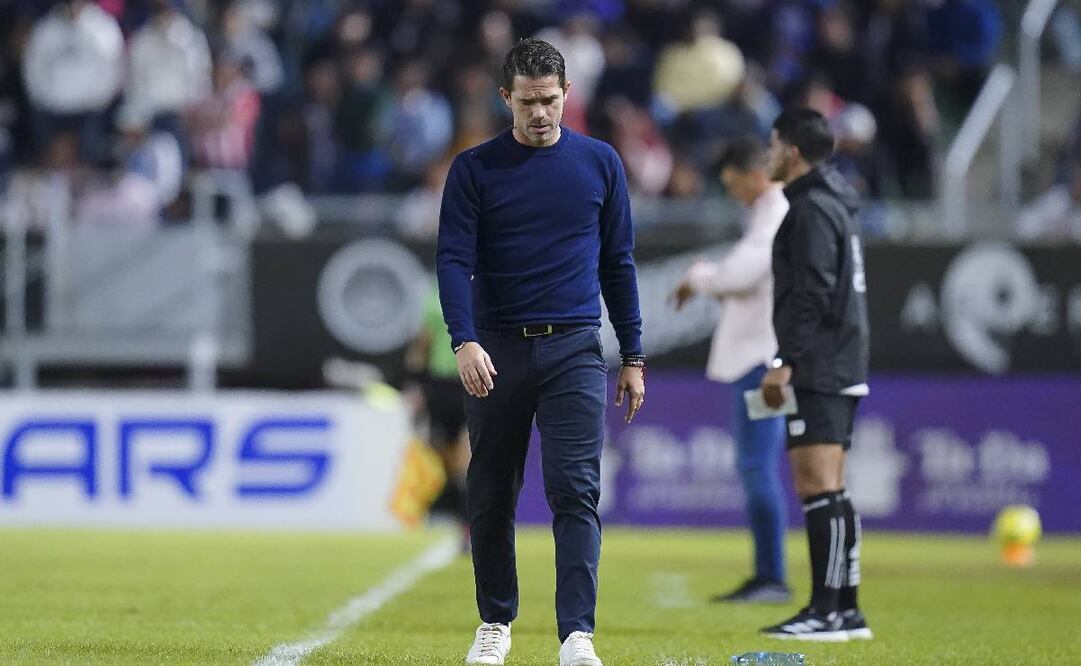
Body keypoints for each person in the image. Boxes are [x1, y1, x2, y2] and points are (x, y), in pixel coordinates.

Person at [437, 37, 645, 666]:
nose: (540, 113)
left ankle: (577, 635)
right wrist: (463, 338)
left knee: (575, 491)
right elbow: (451, 259)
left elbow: (619, 262)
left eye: (550, 100)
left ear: (566, 95)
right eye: (527, 101)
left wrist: (633, 354)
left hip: (576, 350)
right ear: (506, 97)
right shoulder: (473, 169)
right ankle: (495, 623)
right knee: (492, 491)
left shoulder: (601, 163)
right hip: (495, 350)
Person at [758, 109, 872, 641]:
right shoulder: (834, 203)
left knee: (818, 484)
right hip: (839, 358)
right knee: (833, 487)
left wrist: (787, 360)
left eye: (773, 144)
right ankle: (845, 609)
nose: (768, 154)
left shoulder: (809, 210)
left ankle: (825, 610)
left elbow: (813, 292)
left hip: (821, 363)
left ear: (794, 152)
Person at [670, 136, 791, 604]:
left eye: (735, 183)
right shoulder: (764, 214)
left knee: (758, 466)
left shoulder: (775, 212)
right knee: (755, 466)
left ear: (756, 174)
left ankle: (773, 577)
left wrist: (699, 274)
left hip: (762, 364)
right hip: (756, 361)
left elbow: (739, 276)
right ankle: (766, 573)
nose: (733, 192)